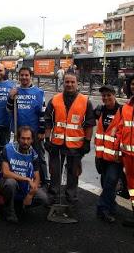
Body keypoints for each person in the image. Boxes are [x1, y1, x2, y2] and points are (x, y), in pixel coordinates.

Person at [44, 72, 96, 205]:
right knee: (55, 171)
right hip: (56, 143)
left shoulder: (85, 101)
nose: (69, 84)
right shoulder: (55, 100)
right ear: (63, 83)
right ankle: (54, 195)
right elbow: (48, 121)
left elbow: (89, 124)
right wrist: (47, 138)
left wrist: (87, 142)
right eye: (67, 82)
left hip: (76, 145)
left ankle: (71, 196)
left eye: (72, 82)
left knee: (74, 172)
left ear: (77, 83)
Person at [6, 66, 48, 186]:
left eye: (26, 75)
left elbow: (42, 112)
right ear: (19, 77)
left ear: (31, 76)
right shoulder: (15, 91)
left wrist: (41, 130)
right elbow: (8, 110)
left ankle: (44, 181)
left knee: (39, 156)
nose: (24, 77)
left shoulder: (38, 92)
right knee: (18, 157)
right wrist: (10, 97)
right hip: (19, 132)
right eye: (22, 75)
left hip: (34, 132)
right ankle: (21, 179)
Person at [0, 126, 41, 223]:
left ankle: (19, 203)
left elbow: (37, 177)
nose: (25, 142)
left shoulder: (34, 154)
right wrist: (27, 179)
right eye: (23, 138)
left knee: (44, 198)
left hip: (24, 186)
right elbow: (6, 173)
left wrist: (31, 194)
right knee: (10, 183)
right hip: (6, 183)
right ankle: (9, 211)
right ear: (18, 138)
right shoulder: (8, 149)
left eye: (28, 139)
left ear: (32, 140)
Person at [94, 85, 122, 223]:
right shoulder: (100, 110)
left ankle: (102, 209)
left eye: (108, 95)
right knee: (105, 183)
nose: (106, 98)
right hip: (101, 156)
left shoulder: (122, 111)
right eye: (104, 95)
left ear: (114, 94)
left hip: (115, 157)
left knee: (110, 182)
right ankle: (112, 205)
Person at [117, 75, 134, 227]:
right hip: (128, 156)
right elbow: (121, 129)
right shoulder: (126, 107)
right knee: (132, 188)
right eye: (133, 84)